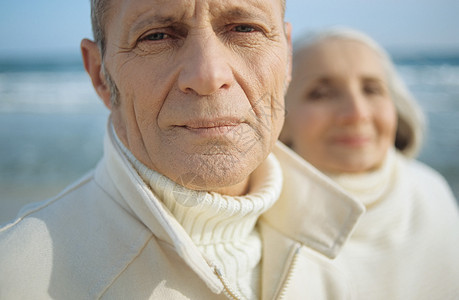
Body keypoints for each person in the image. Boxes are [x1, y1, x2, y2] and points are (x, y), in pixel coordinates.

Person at [0, 2, 366, 299]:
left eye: (244, 29)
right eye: (156, 36)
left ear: (286, 58)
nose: (208, 75)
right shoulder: (16, 277)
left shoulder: (350, 248)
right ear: (100, 74)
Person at [280, 27, 459, 299]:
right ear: (281, 121)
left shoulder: (432, 192)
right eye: (321, 93)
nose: (357, 113)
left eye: (371, 89)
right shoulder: (259, 215)